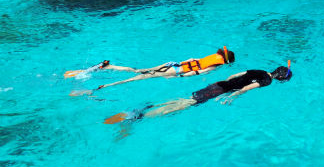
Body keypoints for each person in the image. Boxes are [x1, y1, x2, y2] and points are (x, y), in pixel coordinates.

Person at [104, 63, 293, 124]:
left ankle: (147, 107)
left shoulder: (260, 71)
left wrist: (223, 85)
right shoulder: (266, 81)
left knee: (188, 99)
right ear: (280, 79)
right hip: (222, 89)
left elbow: (237, 75)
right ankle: (139, 115)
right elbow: (246, 88)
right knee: (184, 105)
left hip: (219, 83)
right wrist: (231, 96)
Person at [70, 47, 234, 96]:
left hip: (172, 63)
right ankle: (101, 87)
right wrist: (178, 77)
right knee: (136, 79)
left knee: (139, 71)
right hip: (175, 71)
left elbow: (191, 59)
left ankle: (108, 66)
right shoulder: (215, 66)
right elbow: (196, 72)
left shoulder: (212, 57)